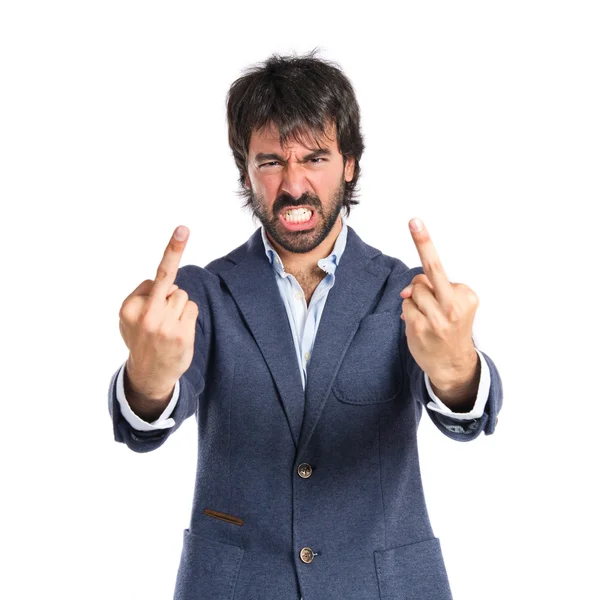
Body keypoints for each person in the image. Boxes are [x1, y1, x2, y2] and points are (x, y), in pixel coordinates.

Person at [108, 50, 503, 600]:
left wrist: (457, 368)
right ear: (246, 172)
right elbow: (143, 422)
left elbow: (470, 415)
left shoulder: (407, 293)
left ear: (350, 165)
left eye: (315, 157)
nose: (293, 185)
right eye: (271, 162)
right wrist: (147, 380)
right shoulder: (203, 294)